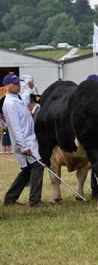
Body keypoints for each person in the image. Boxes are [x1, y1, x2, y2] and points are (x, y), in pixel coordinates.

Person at [2, 74, 46, 207]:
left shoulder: (19, 98)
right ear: (7, 86)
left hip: (28, 139)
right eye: (15, 84)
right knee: (38, 165)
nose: (18, 85)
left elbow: (26, 96)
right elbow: (15, 128)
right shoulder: (9, 104)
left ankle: (10, 199)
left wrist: (29, 86)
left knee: (27, 170)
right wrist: (23, 146)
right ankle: (35, 200)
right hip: (24, 142)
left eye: (18, 83)